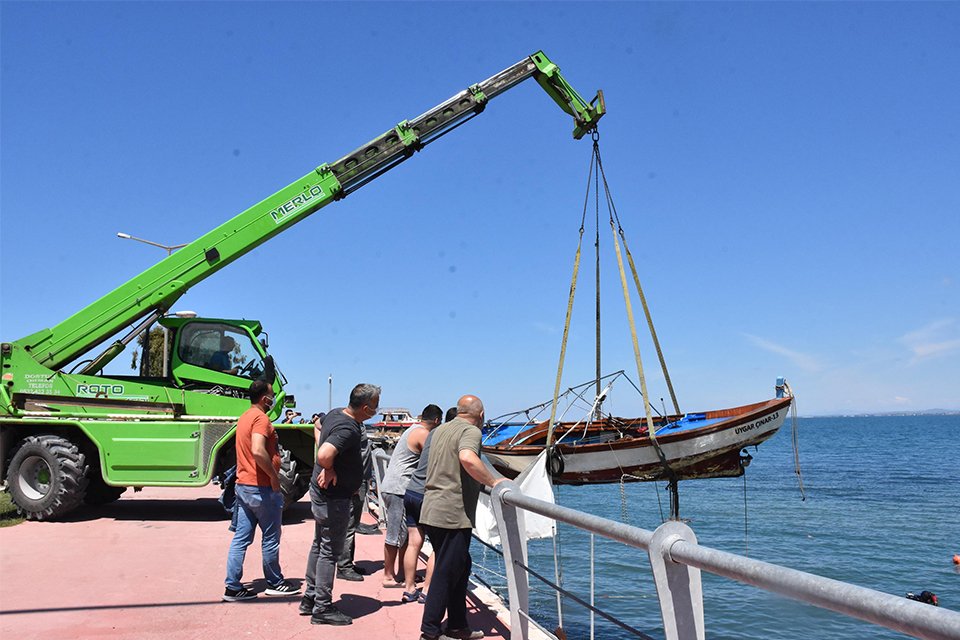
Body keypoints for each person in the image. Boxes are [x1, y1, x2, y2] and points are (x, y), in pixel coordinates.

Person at [419, 396, 504, 640]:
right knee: (446, 572)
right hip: (452, 514)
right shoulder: (471, 431)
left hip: (432, 509)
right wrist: (494, 481)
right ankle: (430, 632)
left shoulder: (440, 429)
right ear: (482, 414)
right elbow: (467, 458)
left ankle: (457, 626)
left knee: (460, 566)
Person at [301, 383, 381, 626]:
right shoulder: (348, 427)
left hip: (322, 493)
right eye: (376, 406)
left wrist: (330, 466)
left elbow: (317, 424)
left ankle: (310, 598)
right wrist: (329, 466)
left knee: (319, 544)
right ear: (366, 408)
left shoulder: (336, 413)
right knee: (329, 551)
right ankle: (322, 608)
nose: (377, 410)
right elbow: (324, 454)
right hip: (333, 498)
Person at [222, 380, 299, 602]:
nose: (273, 398)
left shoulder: (245, 416)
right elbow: (258, 450)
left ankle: (233, 587)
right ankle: (275, 582)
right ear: (265, 399)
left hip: (244, 485)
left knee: (241, 538)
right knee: (271, 538)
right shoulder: (261, 419)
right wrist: (274, 478)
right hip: (261, 487)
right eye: (272, 394)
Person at [379, 404, 443, 590]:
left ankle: (402, 573)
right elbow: (433, 460)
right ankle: (388, 575)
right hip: (398, 488)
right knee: (396, 534)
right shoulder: (423, 434)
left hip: (394, 486)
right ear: (437, 421)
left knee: (405, 535)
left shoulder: (413, 429)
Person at [401, 406, 455, 604]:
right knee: (438, 546)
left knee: (414, 543)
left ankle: (409, 589)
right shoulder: (451, 438)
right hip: (427, 495)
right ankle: (427, 590)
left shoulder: (431, 435)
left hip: (411, 490)